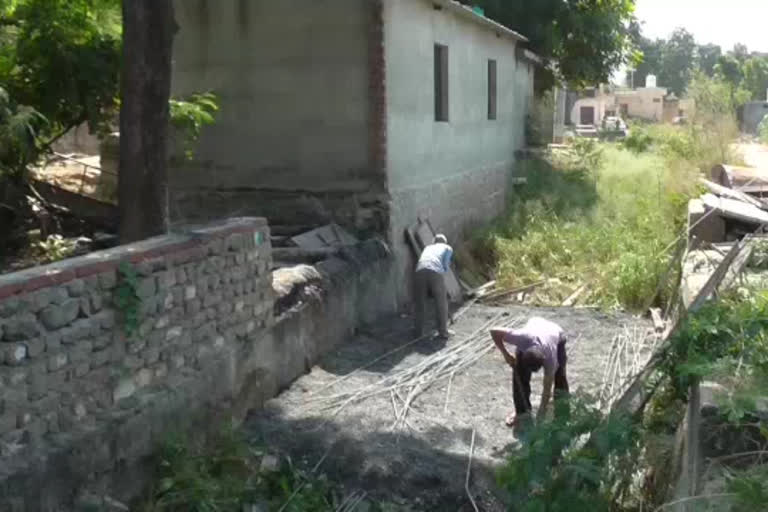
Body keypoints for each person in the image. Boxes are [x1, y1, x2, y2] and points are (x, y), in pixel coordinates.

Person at [489, 317, 570, 426]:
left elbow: (547, 388)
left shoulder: (550, 359)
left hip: (556, 334)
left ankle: (562, 413)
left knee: (560, 376)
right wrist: (506, 354)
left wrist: (542, 412)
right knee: (519, 375)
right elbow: (494, 331)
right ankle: (521, 412)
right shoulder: (521, 338)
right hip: (534, 326)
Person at [414, 234, 453, 339]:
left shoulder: (428, 247)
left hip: (419, 271)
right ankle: (443, 332)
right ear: (444, 242)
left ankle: (418, 332)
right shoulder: (447, 248)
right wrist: (441, 280)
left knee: (420, 303)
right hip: (435, 271)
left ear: (434, 242)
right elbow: (445, 265)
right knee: (441, 302)